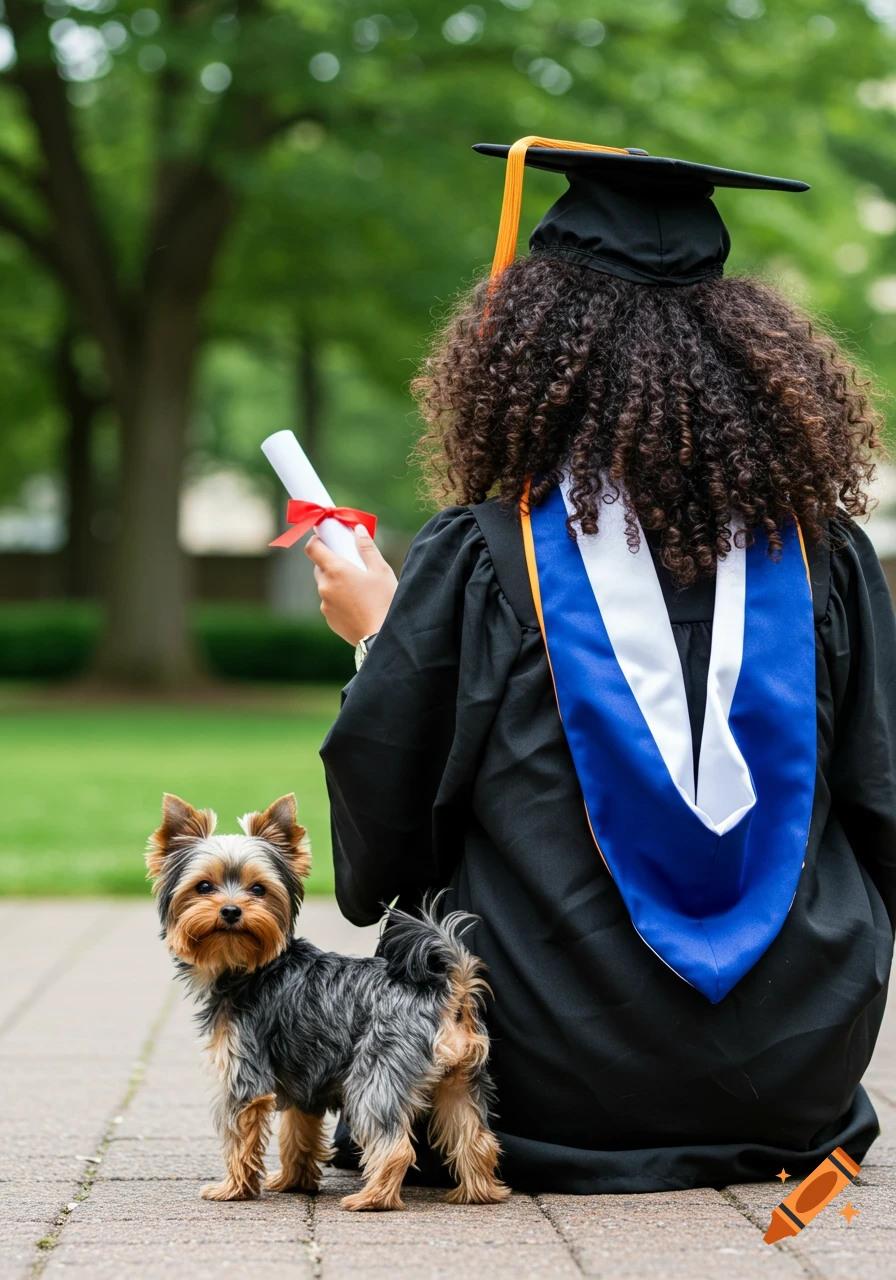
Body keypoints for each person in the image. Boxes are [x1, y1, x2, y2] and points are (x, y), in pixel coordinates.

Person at [305, 138, 896, 1193]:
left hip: (529, 1081)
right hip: (796, 1080)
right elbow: (880, 800)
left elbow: (386, 842)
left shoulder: (487, 552)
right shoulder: (824, 557)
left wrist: (376, 635)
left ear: (524, 357)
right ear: (747, 358)